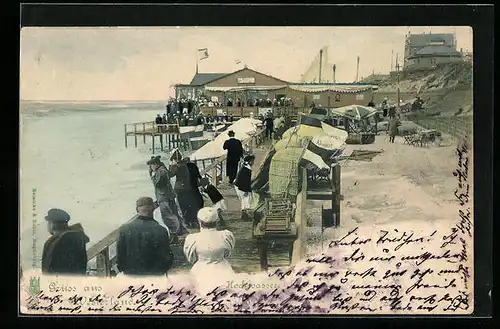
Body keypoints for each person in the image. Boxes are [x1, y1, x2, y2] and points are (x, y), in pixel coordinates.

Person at [116, 197, 174, 276]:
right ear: (153, 208)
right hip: (154, 276)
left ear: (137, 210)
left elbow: (120, 258)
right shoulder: (161, 230)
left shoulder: (124, 229)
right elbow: (167, 257)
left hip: (131, 275)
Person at [183, 207, 235, 282]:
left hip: (201, 270)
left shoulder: (193, 239)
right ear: (217, 221)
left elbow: (191, 258)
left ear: (199, 221)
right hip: (223, 269)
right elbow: (227, 253)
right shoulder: (225, 236)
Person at [41, 208, 89, 275]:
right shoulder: (76, 238)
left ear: (52, 224)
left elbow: (49, 268)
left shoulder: (57, 241)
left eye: (49, 222)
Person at [148, 156, 187, 238]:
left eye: (151, 165)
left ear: (155, 164)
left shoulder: (161, 171)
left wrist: (151, 175)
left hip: (164, 197)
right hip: (167, 196)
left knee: (168, 216)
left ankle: (175, 233)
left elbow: (157, 184)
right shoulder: (162, 170)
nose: (150, 167)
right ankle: (179, 231)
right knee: (173, 214)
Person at [169, 157, 200, 229]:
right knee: (191, 205)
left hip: (180, 189)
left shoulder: (177, 167)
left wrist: (171, 165)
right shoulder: (191, 166)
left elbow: (170, 175)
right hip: (189, 188)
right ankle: (193, 221)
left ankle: (188, 222)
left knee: (183, 206)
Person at [234, 154, 255, 220]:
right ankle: (244, 216)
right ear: (250, 161)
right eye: (252, 161)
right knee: (245, 200)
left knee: (244, 200)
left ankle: (244, 215)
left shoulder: (245, 167)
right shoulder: (247, 169)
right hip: (241, 186)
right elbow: (245, 181)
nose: (253, 162)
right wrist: (245, 190)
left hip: (239, 185)